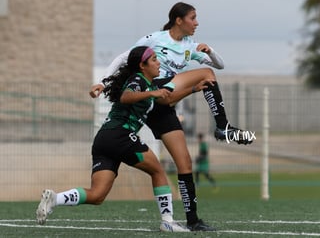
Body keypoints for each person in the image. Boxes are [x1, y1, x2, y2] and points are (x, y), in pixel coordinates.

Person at [89, 2, 253, 231]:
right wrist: (102, 82)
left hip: (163, 104)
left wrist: (210, 51)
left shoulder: (191, 46)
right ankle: (223, 127)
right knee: (205, 74)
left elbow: (220, 65)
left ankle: (193, 220)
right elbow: (123, 58)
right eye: (193, 18)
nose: (197, 23)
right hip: (151, 91)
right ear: (179, 20)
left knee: (184, 162)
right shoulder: (156, 38)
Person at [36, 46, 208, 232]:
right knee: (158, 171)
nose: (159, 63)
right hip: (121, 135)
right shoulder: (137, 80)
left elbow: (166, 100)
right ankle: (168, 221)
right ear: (142, 66)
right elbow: (126, 97)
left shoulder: (149, 84)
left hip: (104, 139)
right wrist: (152, 93)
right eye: (154, 60)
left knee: (97, 195)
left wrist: (192, 89)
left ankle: (55, 198)